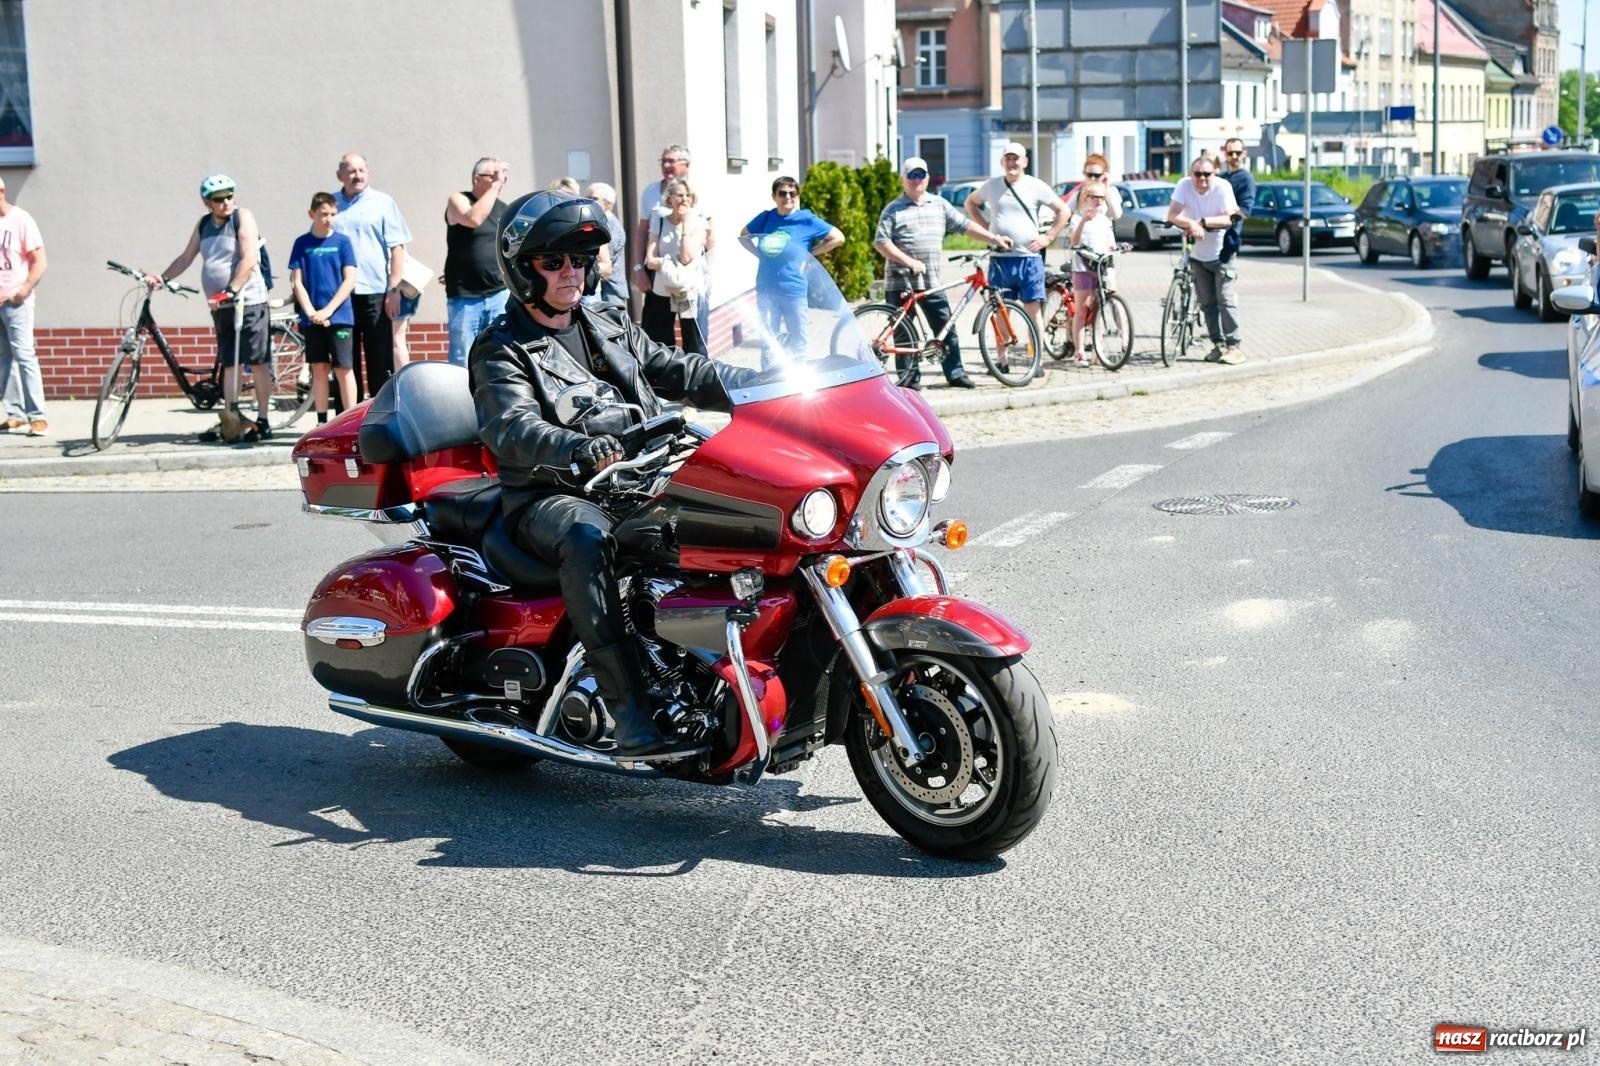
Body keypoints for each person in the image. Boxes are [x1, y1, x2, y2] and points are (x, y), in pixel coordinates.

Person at [469, 191, 758, 760]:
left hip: (633, 477)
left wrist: (760, 382)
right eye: (554, 263)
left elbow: (676, 368)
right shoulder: (501, 348)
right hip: (549, 493)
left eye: (579, 261)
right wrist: (576, 446)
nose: (571, 273)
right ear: (522, 270)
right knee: (588, 538)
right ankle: (628, 710)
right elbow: (510, 426)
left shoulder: (605, 319)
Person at [144, 174, 274, 441]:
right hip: (222, 306)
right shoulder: (204, 225)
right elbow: (186, 257)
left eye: (229, 195)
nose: (226, 202)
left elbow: (249, 258)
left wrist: (232, 289)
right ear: (207, 202)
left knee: (258, 362)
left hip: (248, 300)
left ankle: (263, 420)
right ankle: (231, 419)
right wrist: (163, 278)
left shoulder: (242, 217)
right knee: (230, 363)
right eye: (219, 199)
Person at [873, 155, 1012, 390]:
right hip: (900, 281)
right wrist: (908, 261)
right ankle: (909, 378)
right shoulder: (893, 209)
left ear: (927, 179)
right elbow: (881, 242)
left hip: (931, 280)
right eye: (912, 175)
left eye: (921, 175)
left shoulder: (939, 204)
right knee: (904, 332)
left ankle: (955, 373)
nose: (916, 180)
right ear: (903, 180)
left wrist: (994, 238)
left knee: (945, 325)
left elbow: (964, 226)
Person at [964, 142, 1070, 346]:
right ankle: (1002, 361)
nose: (1012, 163)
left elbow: (1063, 211)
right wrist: (986, 228)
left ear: (1025, 162)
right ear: (1002, 162)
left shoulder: (1036, 185)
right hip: (1000, 260)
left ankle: (1036, 358)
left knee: (1033, 313)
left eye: (1016, 159)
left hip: (1028, 260)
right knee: (1002, 312)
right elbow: (970, 203)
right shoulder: (992, 185)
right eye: (1008, 159)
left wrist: (1048, 237)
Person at [333, 153, 412, 398]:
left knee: (380, 359)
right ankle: (346, 421)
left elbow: (397, 248)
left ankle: (381, 416)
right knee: (346, 362)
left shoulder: (383, 202)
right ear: (340, 176)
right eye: (351, 171)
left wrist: (394, 289)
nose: (357, 176)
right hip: (341, 297)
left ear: (368, 172)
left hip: (375, 293)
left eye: (361, 170)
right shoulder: (330, 205)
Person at [740, 175, 843, 360]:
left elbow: (838, 237)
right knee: (769, 342)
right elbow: (744, 235)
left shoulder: (806, 220)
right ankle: (768, 383)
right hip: (766, 289)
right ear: (774, 196)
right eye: (782, 193)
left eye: (792, 193)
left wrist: (812, 254)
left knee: (798, 342)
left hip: (793, 290)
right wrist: (758, 253)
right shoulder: (766, 218)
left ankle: (799, 381)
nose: (788, 197)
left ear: (798, 195)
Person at [288, 192, 359, 423]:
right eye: (323, 214)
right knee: (318, 369)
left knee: (343, 369)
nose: (328, 219)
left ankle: (350, 421)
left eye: (332, 214)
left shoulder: (343, 242)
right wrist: (310, 312)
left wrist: (328, 310)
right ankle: (321, 421)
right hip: (312, 318)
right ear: (312, 214)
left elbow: (349, 280)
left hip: (339, 316)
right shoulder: (302, 244)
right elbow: (297, 281)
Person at [1166, 154, 1242, 364]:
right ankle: (1218, 345)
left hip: (1222, 254)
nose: (1202, 179)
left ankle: (1234, 346)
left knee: (1225, 300)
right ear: (1191, 174)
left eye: (1206, 174)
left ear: (1214, 174)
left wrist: (1201, 222)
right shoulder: (1184, 185)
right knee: (1208, 303)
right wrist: (1191, 225)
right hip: (1197, 256)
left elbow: (1228, 218)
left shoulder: (1222, 187)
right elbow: (1172, 215)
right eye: (1197, 174)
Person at [632, 144, 713, 339]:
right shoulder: (651, 192)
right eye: (664, 161)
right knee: (657, 334)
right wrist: (638, 268)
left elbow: (711, 237)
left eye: (672, 161)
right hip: (659, 272)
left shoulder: (697, 191)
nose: (666, 165)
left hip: (691, 275)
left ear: (687, 165)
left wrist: (710, 271)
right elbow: (642, 232)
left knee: (695, 337)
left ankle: (695, 370)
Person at [444, 157, 511, 366]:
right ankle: (461, 400)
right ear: (477, 179)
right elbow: (474, 219)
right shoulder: (459, 199)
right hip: (465, 298)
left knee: (499, 353)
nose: (500, 181)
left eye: (502, 178)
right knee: (462, 358)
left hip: (498, 293)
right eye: (494, 176)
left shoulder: (503, 209)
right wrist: (496, 186)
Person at [0, 176, 48, 437]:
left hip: (16, 302)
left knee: (25, 357)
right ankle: (15, 414)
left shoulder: (21, 220)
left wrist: (23, 291)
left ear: (2, 191)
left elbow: (40, 261)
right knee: (4, 360)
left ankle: (38, 417)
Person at [641, 178, 708, 355]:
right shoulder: (660, 220)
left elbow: (686, 257)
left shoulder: (700, 223)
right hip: (663, 289)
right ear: (669, 198)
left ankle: (698, 381)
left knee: (695, 344)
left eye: (688, 195)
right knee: (661, 341)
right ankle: (668, 380)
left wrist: (686, 224)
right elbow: (650, 260)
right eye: (679, 195)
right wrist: (664, 262)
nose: (684, 199)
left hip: (691, 291)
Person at [1068, 182, 1116, 368]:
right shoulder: (1078, 217)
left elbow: (1109, 241)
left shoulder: (1105, 220)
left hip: (1101, 266)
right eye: (1093, 196)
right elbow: (1074, 239)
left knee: (1100, 309)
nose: (1097, 200)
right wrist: (1083, 221)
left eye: (1101, 197)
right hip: (1082, 266)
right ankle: (1079, 352)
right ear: (1085, 198)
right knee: (1082, 310)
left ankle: (1098, 348)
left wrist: (1113, 247)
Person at [584, 181, 629, 306]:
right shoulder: (601, 221)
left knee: (611, 324)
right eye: (587, 197)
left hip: (611, 288)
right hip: (602, 285)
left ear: (607, 203)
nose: (589, 201)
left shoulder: (610, 223)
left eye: (593, 198)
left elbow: (607, 255)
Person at [1220, 137, 1256, 270]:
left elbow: (1245, 211)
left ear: (1244, 154)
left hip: (1228, 242)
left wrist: (1223, 218)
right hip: (1210, 241)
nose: (1234, 156)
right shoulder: (1221, 177)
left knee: (1224, 288)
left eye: (1238, 153)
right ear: (1225, 154)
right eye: (1230, 153)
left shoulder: (1246, 179)